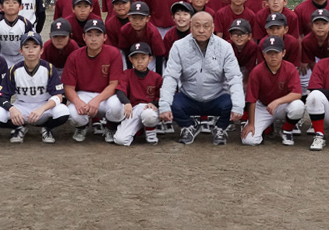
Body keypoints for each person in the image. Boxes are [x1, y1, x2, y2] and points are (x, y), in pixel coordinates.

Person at [159, 11, 244, 145]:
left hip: (217, 98)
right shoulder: (178, 46)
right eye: (197, 26)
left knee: (232, 102)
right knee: (171, 103)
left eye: (206, 26)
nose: (201, 30)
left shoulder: (225, 47)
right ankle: (189, 126)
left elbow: (234, 77)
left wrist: (238, 106)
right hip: (189, 97)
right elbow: (170, 77)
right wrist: (164, 105)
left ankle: (220, 128)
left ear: (213, 28)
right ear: (191, 26)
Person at [0, 32, 70, 144]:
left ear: (41, 50)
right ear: (21, 51)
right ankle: (19, 127)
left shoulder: (48, 68)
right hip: (21, 107)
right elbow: (2, 96)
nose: (31, 50)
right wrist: (11, 108)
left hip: (44, 107)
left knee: (63, 111)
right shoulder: (14, 70)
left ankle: (46, 128)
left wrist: (42, 109)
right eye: (26, 47)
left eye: (35, 47)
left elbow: (59, 96)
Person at [63, 19, 125, 143]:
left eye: (98, 35)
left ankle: (111, 128)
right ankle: (82, 127)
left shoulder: (113, 53)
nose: (93, 39)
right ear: (83, 37)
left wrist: (97, 100)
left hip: (106, 95)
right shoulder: (74, 56)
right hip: (84, 94)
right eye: (89, 35)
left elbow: (114, 84)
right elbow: (68, 87)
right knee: (73, 113)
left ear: (105, 37)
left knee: (116, 106)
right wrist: (77, 101)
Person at [241, 35, 304, 146]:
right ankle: (266, 128)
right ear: (264, 54)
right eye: (269, 53)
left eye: (276, 53)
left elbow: (297, 93)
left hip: (283, 106)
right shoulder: (257, 71)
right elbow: (251, 99)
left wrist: (277, 101)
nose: (273, 57)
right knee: (249, 140)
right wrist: (251, 123)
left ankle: (286, 130)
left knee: (298, 106)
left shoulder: (290, 68)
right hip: (264, 106)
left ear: (283, 53)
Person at [111, 42, 163, 146]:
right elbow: (120, 91)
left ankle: (150, 130)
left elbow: (162, 97)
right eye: (135, 58)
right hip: (133, 110)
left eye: (143, 58)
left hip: (149, 110)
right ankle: (139, 130)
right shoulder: (126, 74)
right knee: (120, 140)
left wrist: (154, 103)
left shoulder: (156, 77)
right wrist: (126, 102)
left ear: (150, 59)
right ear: (130, 60)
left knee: (148, 114)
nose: (139, 61)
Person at [0, 0, 35, 68]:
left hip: (21, 57)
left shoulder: (26, 23)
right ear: (1, 7)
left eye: (14, 3)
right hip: (3, 56)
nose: (11, 5)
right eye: (7, 3)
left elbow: (31, 42)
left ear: (21, 7)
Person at [118, 1, 167, 71]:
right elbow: (125, 50)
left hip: (150, 57)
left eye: (141, 18)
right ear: (129, 17)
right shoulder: (125, 30)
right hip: (132, 55)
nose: (137, 22)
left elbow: (159, 55)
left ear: (147, 18)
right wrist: (129, 70)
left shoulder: (153, 32)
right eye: (134, 18)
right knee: (123, 68)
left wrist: (158, 76)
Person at [300, 9, 329, 95]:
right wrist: (318, 76)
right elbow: (310, 62)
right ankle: (304, 96)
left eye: (324, 23)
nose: (320, 27)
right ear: (311, 26)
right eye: (317, 24)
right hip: (315, 63)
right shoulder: (307, 41)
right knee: (303, 73)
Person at [40, 18, 79, 83]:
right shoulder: (47, 46)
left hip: (69, 71)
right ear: (50, 36)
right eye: (55, 36)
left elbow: (78, 66)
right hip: (51, 71)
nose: (59, 40)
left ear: (70, 36)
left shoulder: (73, 46)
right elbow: (42, 67)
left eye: (63, 36)